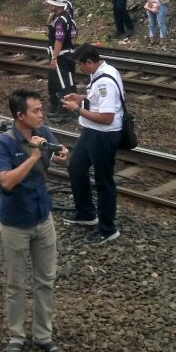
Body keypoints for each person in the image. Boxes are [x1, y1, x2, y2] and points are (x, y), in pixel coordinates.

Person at [0, 88, 68, 352]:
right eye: (36, 111)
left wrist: (60, 153)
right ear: (20, 116)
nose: (41, 114)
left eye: (41, 109)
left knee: (45, 280)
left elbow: (58, 151)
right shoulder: (3, 144)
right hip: (14, 224)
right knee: (16, 284)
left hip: (42, 218)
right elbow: (6, 182)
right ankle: (16, 336)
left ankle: (43, 336)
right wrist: (34, 157)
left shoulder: (44, 132)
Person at [61, 44, 123, 245]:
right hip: (91, 133)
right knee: (76, 168)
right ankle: (86, 213)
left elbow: (106, 117)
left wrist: (77, 108)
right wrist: (81, 97)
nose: (79, 69)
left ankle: (107, 229)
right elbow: (98, 100)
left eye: (80, 65)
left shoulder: (105, 82)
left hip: (103, 136)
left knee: (104, 183)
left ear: (90, 62)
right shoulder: (101, 72)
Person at [46, 0, 77, 120]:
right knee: (68, 84)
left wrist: (54, 57)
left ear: (57, 4)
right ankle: (68, 110)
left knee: (63, 85)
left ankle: (66, 113)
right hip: (67, 55)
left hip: (61, 56)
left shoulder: (60, 20)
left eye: (52, 3)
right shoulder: (66, 17)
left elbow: (59, 40)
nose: (50, 5)